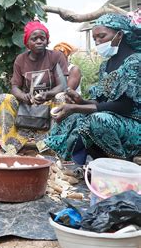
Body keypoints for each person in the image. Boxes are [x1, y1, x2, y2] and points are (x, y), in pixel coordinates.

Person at [44, 14, 141, 163]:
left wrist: (77, 107)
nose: (97, 42)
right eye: (95, 38)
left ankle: (121, 162)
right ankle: (67, 160)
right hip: (113, 119)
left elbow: (125, 107)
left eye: (101, 36)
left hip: (133, 123)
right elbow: (102, 101)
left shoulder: (135, 62)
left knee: (97, 120)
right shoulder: (105, 65)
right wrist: (81, 101)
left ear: (119, 34)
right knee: (72, 117)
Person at [0, 20, 68, 154]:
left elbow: (62, 85)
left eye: (42, 38)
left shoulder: (56, 56)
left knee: (61, 97)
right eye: (34, 39)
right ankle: (11, 142)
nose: (39, 41)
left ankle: (51, 143)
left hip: (49, 102)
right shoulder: (20, 60)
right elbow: (15, 86)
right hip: (27, 104)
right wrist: (23, 96)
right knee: (4, 98)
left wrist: (47, 95)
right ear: (27, 43)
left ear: (47, 40)